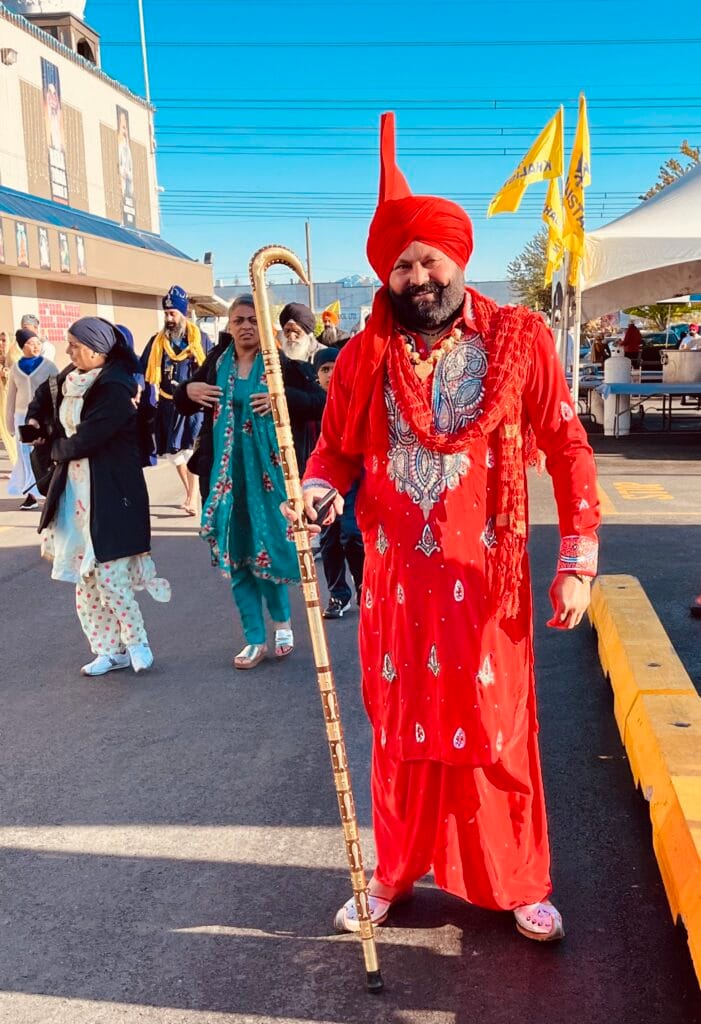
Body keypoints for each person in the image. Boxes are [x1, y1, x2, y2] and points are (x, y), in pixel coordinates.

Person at [298, 113, 600, 942]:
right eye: (401, 264)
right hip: (396, 584)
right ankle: (390, 873)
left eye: (429, 259)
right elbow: (333, 454)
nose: (417, 275)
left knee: (498, 733)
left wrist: (576, 560)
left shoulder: (520, 341)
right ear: (384, 277)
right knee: (400, 736)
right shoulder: (361, 358)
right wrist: (318, 491)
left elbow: (569, 450)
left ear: (459, 261)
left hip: (486, 581)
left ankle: (517, 880)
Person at [174, 295, 326, 669]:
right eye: (239, 320)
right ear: (229, 326)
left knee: (266, 550)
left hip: (268, 479)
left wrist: (281, 398)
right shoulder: (216, 364)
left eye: (252, 321)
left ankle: (282, 624)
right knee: (237, 557)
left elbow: (319, 401)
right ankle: (254, 639)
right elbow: (184, 399)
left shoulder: (280, 366)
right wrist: (187, 392)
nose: (245, 327)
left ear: (264, 327)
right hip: (226, 479)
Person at [26, 317, 170, 677]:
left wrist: (57, 448)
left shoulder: (116, 387)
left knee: (110, 576)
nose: (67, 350)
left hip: (111, 491)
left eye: (74, 344)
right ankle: (108, 649)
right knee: (84, 580)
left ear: (96, 349)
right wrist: (33, 425)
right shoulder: (64, 380)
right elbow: (41, 404)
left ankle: (137, 641)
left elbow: (92, 436)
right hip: (74, 492)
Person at [141, 286, 210, 516]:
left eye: (173, 313)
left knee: (190, 451)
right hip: (168, 405)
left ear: (184, 313)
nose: (169, 318)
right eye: (166, 314)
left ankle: (192, 496)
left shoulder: (201, 341)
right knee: (175, 455)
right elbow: (141, 370)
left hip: (194, 407)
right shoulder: (157, 343)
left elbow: (213, 368)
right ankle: (189, 490)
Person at [313, 347, 365, 619]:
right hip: (321, 482)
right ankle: (337, 594)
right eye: (324, 369)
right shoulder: (310, 403)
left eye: (335, 367)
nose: (331, 374)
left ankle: (362, 585)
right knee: (329, 538)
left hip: (355, 478)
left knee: (353, 535)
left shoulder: (354, 399)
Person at [6, 327, 58, 509]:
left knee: (45, 453)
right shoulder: (15, 368)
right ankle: (31, 495)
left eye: (37, 342)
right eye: (30, 343)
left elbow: (57, 392)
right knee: (26, 455)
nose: (35, 346)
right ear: (22, 346)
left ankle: (49, 490)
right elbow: (10, 398)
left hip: (44, 418)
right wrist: (10, 424)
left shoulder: (49, 366)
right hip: (22, 418)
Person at [0, 329, 19, 466]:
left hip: (9, 399)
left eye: (4, 340)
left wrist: (5, 372)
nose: (1, 343)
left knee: (9, 430)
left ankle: (17, 463)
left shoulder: (14, 354)